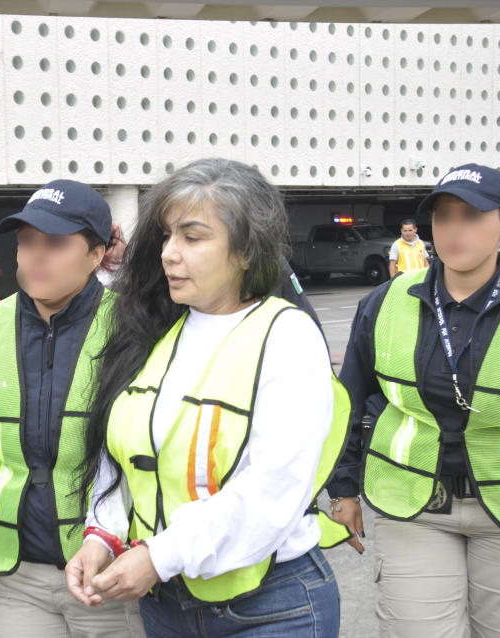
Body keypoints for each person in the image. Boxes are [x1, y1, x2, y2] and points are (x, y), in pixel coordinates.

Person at [68, 159, 350, 637]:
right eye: (166, 236)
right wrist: (103, 534)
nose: (169, 254)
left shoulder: (286, 335)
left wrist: (159, 556)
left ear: (245, 250)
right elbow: (129, 459)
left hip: (272, 608)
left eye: (192, 237)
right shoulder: (154, 332)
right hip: (167, 604)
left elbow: (270, 491)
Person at [0, 180, 145, 638]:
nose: (36, 256)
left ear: (96, 254)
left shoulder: (132, 331)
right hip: (19, 579)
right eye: (27, 243)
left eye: (55, 244)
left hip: (111, 573)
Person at [327, 163, 500, 638]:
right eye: (443, 215)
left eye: (472, 215)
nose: (454, 229)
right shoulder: (384, 301)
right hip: (413, 504)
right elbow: (351, 398)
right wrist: (344, 487)